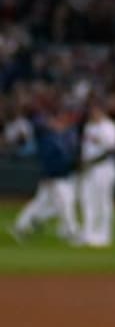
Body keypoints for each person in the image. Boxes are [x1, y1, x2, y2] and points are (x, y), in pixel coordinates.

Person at [10, 104, 80, 243]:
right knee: (66, 204)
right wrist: (50, 175)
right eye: (60, 120)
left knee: (41, 203)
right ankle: (72, 233)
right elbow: (48, 159)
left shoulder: (61, 137)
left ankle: (20, 226)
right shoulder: (48, 137)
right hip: (54, 177)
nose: (62, 123)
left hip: (60, 176)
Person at [76, 99, 115, 249]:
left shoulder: (109, 127)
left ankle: (105, 236)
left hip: (104, 169)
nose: (93, 113)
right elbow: (86, 149)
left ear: (102, 111)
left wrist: (91, 162)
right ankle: (88, 233)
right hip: (89, 169)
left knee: (103, 202)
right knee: (87, 201)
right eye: (91, 110)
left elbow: (112, 150)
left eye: (95, 110)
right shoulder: (89, 127)